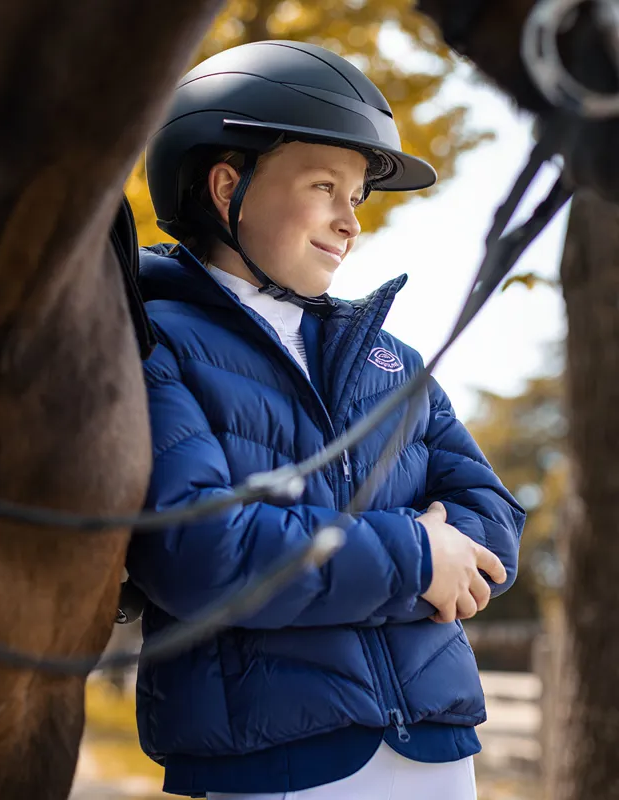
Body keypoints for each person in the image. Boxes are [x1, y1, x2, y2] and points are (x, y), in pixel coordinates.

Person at [126, 39, 525, 800]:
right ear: (225, 187)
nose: (351, 223)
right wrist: (417, 556)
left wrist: (437, 555)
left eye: (357, 197)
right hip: (274, 755)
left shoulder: (393, 361)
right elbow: (200, 551)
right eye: (324, 186)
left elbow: (492, 515)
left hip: (437, 748)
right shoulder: (155, 346)